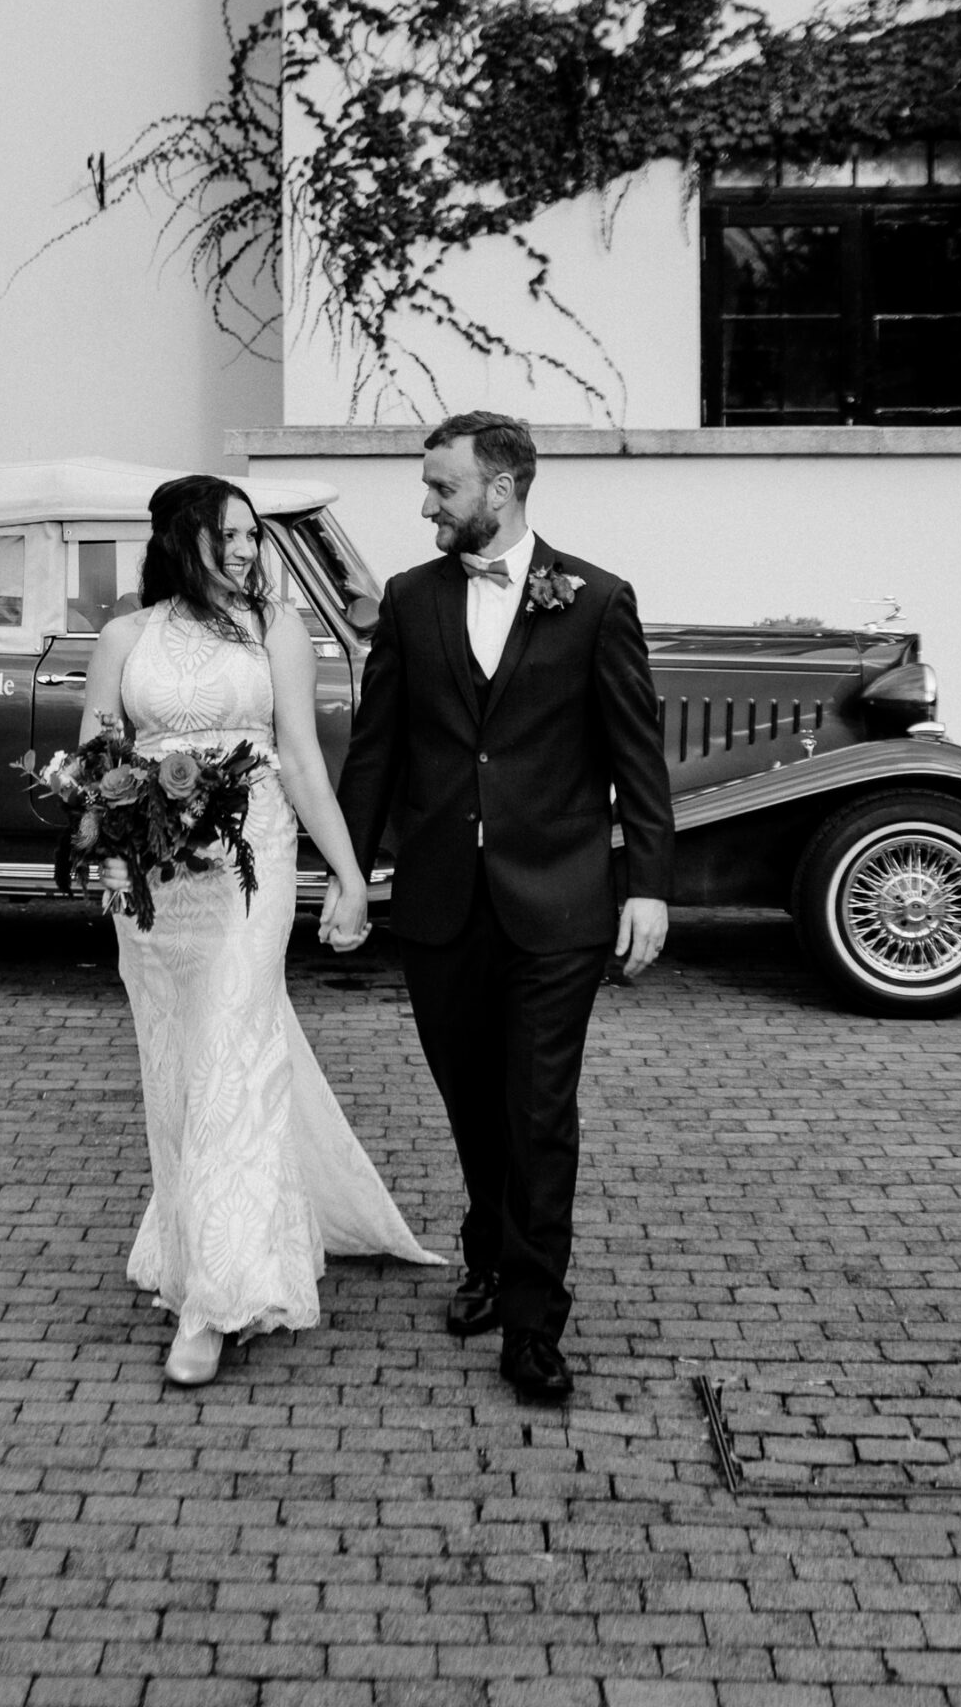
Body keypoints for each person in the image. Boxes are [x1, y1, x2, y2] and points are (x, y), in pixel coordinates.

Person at [337, 412, 674, 1408]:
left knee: (539, 1112)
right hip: (442, 902)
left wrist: (648, 883)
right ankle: (486, 1246)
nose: (426, 504)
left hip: (559, 902)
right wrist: (352, 876)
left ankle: (532, 1322)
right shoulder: (408, 600)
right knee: (472, 1101)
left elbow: (634, 757)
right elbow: (376, 750)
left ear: (502, 487)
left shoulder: (598, 599)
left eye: (442, 486)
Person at [81, 475, 439, 1387]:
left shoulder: (277, 630)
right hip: (156, 890)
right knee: (175, 1068)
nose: (246, 551)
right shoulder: (124, 636)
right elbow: (94, 764)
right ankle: (199, 1239)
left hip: (252, 868)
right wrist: (105, 847)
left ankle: (217, 1299)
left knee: (230, 1055)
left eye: (251, 537)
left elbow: (305, 760)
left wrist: (350, 877)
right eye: (229, 536)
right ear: (181, 538)